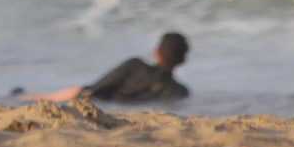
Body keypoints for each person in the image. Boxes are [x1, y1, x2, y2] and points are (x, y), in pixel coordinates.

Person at [22, 32, 191, 104]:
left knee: (79, 89)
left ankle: (22, 97)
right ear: (183, 60)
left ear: (157, 52)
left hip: (103, 100)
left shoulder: (135, 65)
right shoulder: (181, 91)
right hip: (123, 105)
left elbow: (98, 87)